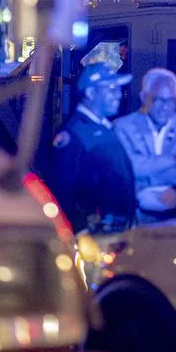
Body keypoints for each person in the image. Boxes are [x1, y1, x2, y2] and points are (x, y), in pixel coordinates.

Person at [44, 63, 137, 235]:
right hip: (94, 236)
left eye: (118, 88)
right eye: (111, 88)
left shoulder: (102, 127)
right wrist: (79, 232)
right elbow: (62, 190)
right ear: (90, 93)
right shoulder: (73, 134)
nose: (118, 94)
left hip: (115, 230)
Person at [114, 68, 176, 224]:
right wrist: (172, 161)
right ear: (144, 97)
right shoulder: (122, 127)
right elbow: (129, 169)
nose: (165, 107)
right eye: (158, 100)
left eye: (171, 101)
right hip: (135, 217)